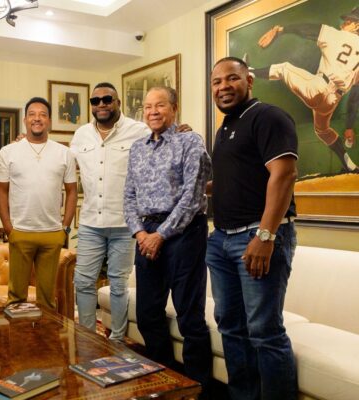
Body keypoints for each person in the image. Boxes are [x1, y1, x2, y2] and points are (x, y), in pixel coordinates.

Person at [70, 82, 191, 342]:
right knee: (82, 281)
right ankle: (87, 339)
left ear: (118, 103)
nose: (101, 104)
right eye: (95, 101)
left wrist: (182, 130)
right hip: (90, 223)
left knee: (118, 283)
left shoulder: (138, 130)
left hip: (127, 224)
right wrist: (27, 142)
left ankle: (116, 341)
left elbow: (165, 135)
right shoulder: (81, 135)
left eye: (107, 99)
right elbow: (64, 162)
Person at [208, 57, 299, 399]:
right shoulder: (226, 128)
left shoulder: (268, 117)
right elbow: (236, 179)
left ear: (249, 80)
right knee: (231, 326)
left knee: (264, 331)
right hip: (221, 239)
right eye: (217, 82)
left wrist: (265, 235)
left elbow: (284, 174)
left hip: (256, 236)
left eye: (232, 79)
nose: (223, 87)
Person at [123, 86, 213, 392]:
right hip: (146, 232)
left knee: (189, 316)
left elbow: (193, 196)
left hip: (184, 233)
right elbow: (129, 196)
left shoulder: (190, 141)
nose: (152, 112)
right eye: (148, 107)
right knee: (147, 314)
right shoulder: (137, 148)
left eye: (160, 105)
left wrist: (161, 235)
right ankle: (165, 382)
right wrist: (141, 233)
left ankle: (197, 389)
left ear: (174, 108)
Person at [248, 6, 359, 172]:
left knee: (284, 68)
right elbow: (355, 96)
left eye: (350, 21)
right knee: (322, 130)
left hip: (318, 87)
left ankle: (248, 72)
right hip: (333, 101)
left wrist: (281, 30)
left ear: (357, 26)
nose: (345, 22)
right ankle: (349, 165)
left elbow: (308, 29)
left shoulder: (338, 35)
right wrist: (349, 125)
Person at [0, 97, 77, 310]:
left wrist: (65, 228)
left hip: (52, 234)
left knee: (48, 300)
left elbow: (72, 191)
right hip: (20, 232)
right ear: (25, 119)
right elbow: (1, 191)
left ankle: (45, 333)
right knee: (16, 299)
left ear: (49, 120)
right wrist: (8, 227)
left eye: (42, 114)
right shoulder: (8, 152)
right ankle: (18, 333)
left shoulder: (64, 153)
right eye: (32, 114)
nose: (37, 118)